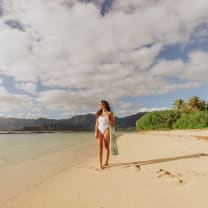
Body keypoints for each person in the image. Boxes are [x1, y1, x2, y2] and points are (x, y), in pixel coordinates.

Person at [95, 100, 115, 170]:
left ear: (104, 105)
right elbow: (96, 124)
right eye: (99, 104)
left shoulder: (110, 113)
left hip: (106, 129)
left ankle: (106, 161)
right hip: (100, 130)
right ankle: (100, 164)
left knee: (106, 146)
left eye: (100, 104)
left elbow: (113, 124)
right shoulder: (98, 113)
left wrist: (108, 119)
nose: (99, 105)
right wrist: (96, 132)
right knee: (100, 147)